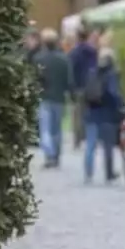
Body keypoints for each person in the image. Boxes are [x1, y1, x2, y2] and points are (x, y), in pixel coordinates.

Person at [83, 47, 124, 185]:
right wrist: (120, 105)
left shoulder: (92, 72)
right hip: (106, 114)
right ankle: (109, 173)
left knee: (90, 145)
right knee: (108, 146)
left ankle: (88, 173)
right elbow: (113, 94)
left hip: (91, 113)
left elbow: (86, 92)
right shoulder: (111, 74)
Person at [32, 28, 71, 168]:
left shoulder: (38, 59)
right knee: (57, 128)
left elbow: (34, 79)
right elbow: (69, 80)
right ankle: (56, 155)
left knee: (45, 128)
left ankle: (49, 155)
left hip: (44, 97)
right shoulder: (63, 59)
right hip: (59, 98)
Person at [67, 25, 100, 150]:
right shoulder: (93, 52)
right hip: (91, 88)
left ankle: (78, 140)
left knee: (77, 115)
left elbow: (71, 72)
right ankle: (91, 138)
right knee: (91, 114)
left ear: (77, 37)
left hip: (78, 87)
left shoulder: (74, 53)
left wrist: (71, 88)